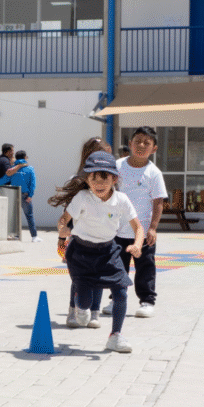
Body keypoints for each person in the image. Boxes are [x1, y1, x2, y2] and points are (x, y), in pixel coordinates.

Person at [51, 151, 144, 353]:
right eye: (93, 178)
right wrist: (62, 231)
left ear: (114, 179)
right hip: (81, 253)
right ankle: (79, 306)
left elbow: (139, 228)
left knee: (121, 291)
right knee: (84, 303)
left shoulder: (121, 200)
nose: (99, 183)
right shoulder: (82, 197)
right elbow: (63, 220)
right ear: (87, 179)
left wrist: (137, 244)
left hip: (108, 251)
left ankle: (115, 336)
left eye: (104, 178)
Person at [100, 127, 168, 319]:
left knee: (145, 267)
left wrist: (153, 228)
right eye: (137, 141)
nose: (141, 145)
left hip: (143, 232)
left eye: (147, 143)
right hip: (117, 230)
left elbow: (158, 201)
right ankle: (116, 300)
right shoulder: (117, 167)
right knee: (116, 267)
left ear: (154, 149)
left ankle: (147, 301)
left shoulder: (154, 173)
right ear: (130, 144)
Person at [53, 137, 113, 328]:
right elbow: (67, 213)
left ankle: (94, 312)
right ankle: (74, 310)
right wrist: (62, 238)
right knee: (79, 277)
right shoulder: (77, 180)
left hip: (102, 236)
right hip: (79, 237)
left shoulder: (110, 179)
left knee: (99, 276)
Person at [9, 150, 40, 242]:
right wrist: (30, 195)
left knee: (13, 216)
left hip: (13, 195)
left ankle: (15, 236)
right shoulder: (30, 168)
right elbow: (33, 183)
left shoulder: (12, 168)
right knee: (29, 216)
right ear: (25, 157)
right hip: (25, 195)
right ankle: (34, 237)